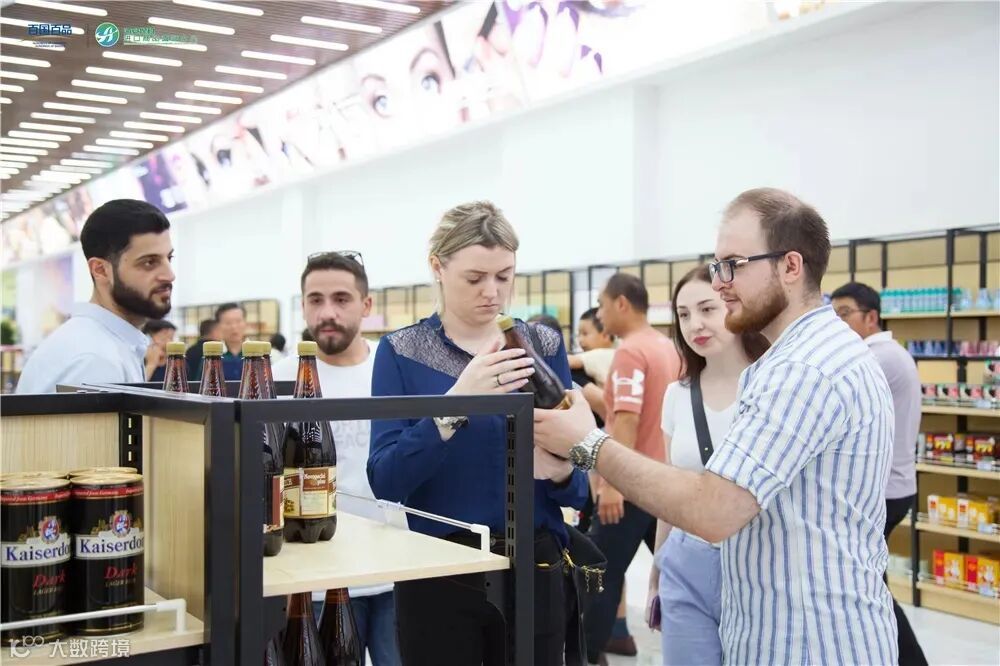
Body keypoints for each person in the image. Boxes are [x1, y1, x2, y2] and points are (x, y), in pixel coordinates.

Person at [534, 188, 898, 664]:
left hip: (809, 642)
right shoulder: (800, 358)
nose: (721, 283)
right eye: (717, 265)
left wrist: (588, 444)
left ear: (791, 266)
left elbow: (714, 509)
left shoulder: (804, 369)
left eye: (734, 265)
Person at [368, 201, 589, 666]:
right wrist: (455, 406)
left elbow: (579, 486)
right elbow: (386, 479)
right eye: (474, 278)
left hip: (535, 564)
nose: (492, 292)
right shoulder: (402, 352)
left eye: (504, 276)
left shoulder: (542, 345)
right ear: (437, 267)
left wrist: (563, 469)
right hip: (438, 570)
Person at [273, 252, 403, 666]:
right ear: (303, 305)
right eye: (316, 299)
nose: (327, 312)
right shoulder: (281, 378)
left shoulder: (391, 370)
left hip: (396, 570)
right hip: (313, 576)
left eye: (341, 299)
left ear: (366, 305)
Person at [646, 265, 768, 665]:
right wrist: (657, 571)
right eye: (683, 315)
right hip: (686, 562)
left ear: (734, 306)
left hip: (757, 565)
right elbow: (672, 491)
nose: (694, 324)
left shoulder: (771, 386)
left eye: (707, 309)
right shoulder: (676, 395)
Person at [584, 273, 681, 665]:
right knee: (672, 575)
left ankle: (587, 655)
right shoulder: (667, 347)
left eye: (602, 304)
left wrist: (612, 483)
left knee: (598, 576)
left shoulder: (630, 353)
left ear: (621, 303)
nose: (600, 314)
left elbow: (627, 418)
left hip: (631, 487)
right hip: (664, 483)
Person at [832, 281, 928, 666]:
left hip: (884, 492)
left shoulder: (877, 357)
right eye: (832, 315)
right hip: (893, 487)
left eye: (844, 314)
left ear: (871, 317)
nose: (837, 323)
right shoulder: (888, 354)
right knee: (871, 583)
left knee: (871, 587)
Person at [17, 199, 175, 394]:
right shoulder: (96, 361)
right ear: (100, 270)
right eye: (149, 262)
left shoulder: (102, 344)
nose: (170, 275)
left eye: (169, 258)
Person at [215, 302, 246, 380]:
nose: (234, 327)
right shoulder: (212, 356)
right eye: (228, 323)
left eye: (238, 321)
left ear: (245, 322)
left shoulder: (259, 355)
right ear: (219, 326)